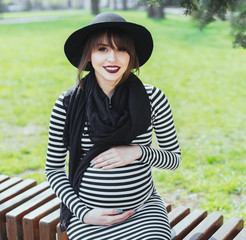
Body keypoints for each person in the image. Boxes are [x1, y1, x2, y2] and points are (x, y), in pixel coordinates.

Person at [45, 12, 181, 240]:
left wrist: (137, 151)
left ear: (131, 56)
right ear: (88, 55)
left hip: (143, 211)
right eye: (102, 49)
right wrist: (84, 213)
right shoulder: (67, 103)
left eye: (121, 49)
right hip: (91, 215)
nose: (112, 59)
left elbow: (173, 159)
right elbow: (53, 169)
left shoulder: (153, 98)